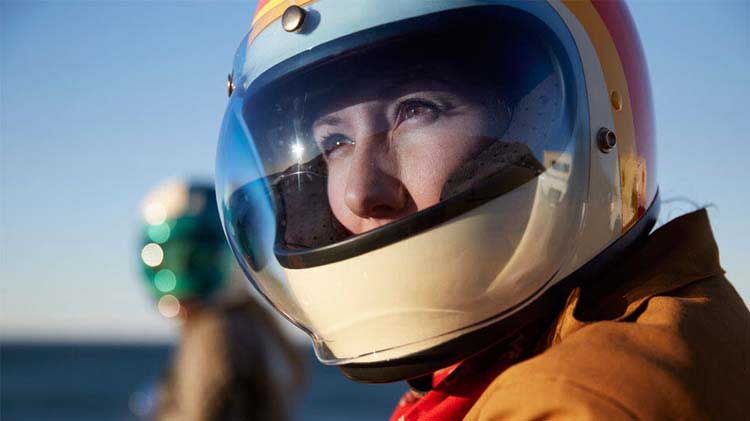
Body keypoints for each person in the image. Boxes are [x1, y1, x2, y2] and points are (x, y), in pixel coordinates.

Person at [214, 1, 750, 420]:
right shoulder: (667, 317)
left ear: (549, 118)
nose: (359, 193)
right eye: (333, 142)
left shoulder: (581, 403)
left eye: (415, 112)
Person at [138, 180, 305, 421]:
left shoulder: (214, 331)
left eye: (195, 256)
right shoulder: (257, 319)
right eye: (172, 256)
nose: (181, 268)